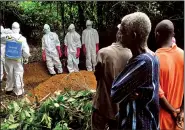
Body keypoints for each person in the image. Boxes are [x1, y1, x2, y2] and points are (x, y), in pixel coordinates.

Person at [111, 12, 160, 130]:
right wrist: (130, 93)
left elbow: (115, 93)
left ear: (133, 35)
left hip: (139, 124)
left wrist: (127, 93)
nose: (119, 35)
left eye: (123, 31)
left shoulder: (142, 62)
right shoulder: (150, 57)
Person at [91, 24, 132, 130]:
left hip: (102, 104)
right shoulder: (132, 55)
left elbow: (97, 75)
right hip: (121, 108)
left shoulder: (103, 53)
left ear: (118, 34)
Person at [155, 20, 184, 130]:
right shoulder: (182, 55)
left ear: (157, 34)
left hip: (162, 120)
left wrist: (173, 111)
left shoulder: (155, 58)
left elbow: (158, 92)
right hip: (180, 121)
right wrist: (182, 111)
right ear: (173, 35)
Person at [4, 22, 31, 96]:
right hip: (17, 59)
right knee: (18, 73)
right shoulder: (22, 38)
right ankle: (18, 91)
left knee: (9, 73)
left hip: (8, 58)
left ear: (12, 28)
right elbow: (26, 51)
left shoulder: (7, 37)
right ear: (19, 29)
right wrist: (26, 58)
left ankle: (8, 89)